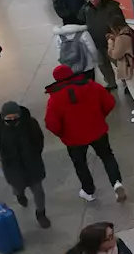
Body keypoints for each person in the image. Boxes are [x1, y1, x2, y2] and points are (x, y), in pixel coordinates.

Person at [44, 64, 126, 203]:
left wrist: (62, 133)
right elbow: (109, 102)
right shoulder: (91, 85)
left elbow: (52, 124)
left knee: (80, 164)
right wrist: (100, 116)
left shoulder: (55, 98)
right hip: (97, 130)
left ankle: (89, 191)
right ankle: (116, 183)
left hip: (73, 139)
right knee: (107, 156)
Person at [0, 101, 50, 228]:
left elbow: (39, 138)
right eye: (8, 118)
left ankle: (41, 213)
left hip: (32, 164)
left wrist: (35, 152)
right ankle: (20, 195)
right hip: (13, 167)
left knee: (39, 191)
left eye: (15, 118)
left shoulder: (30, 123)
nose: (12, 120)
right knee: (17, 187)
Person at [107, 14, 134, 122]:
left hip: (130, 65)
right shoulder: (129, 31)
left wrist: (110, 45)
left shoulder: (122, 38)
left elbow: (115, 54)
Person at [81, 0, 123, 90]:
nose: (93, 1)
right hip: (96, 42)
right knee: (103, 65)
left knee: (119, 63)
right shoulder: (86, 9)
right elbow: (82, 20)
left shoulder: (112, 7)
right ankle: (111, 83)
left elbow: (119, 23)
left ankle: (127, 82)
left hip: (112, 41)